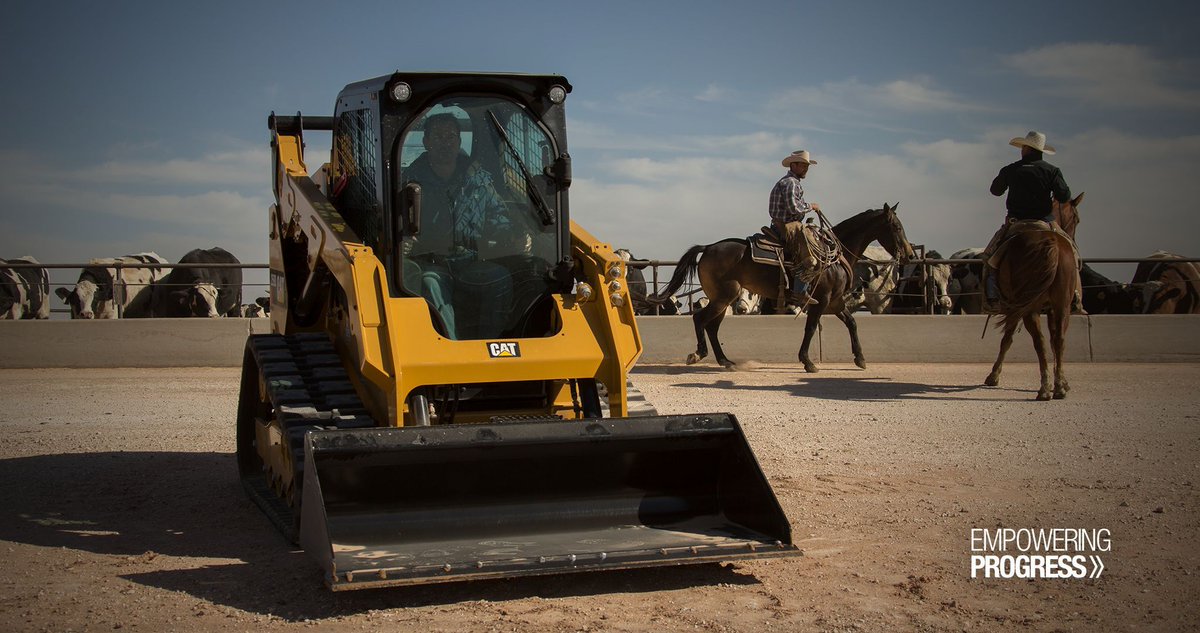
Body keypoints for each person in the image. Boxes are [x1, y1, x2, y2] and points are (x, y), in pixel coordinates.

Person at [402, 112, 514, 338]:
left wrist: (515, 234)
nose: (445, 142)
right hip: (429, 263)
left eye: (451, 136)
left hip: (469, 262)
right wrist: (402, 240)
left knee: (500, 276)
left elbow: (498, 217)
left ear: (459, 141)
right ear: (426, 142)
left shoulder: (479, 180)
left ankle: (490, 347)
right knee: (431, 284)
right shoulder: (407, 181)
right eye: (438, 136)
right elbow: (390, 222)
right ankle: (451, 349)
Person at [985, 130, 1080, 312]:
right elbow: (1064, 195)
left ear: (1026, 148)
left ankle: (992, 295)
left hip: (1016, 223)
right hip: (1044, 222)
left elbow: (995, 191)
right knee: (1072, 253)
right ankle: (1074, 293)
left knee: (990, 257)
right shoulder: (1052, 171)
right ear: (1041, 150)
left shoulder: (1011, 169)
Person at [769, 150, 823, 307]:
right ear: (794, 165)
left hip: (782, 223)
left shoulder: (789, 182)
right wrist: (811, 206)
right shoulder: (791, 183)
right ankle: (800, 291)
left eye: (807, 166)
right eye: (803, 165)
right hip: (788, 226)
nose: (806, 168)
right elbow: (794, 208)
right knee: (811, 257)